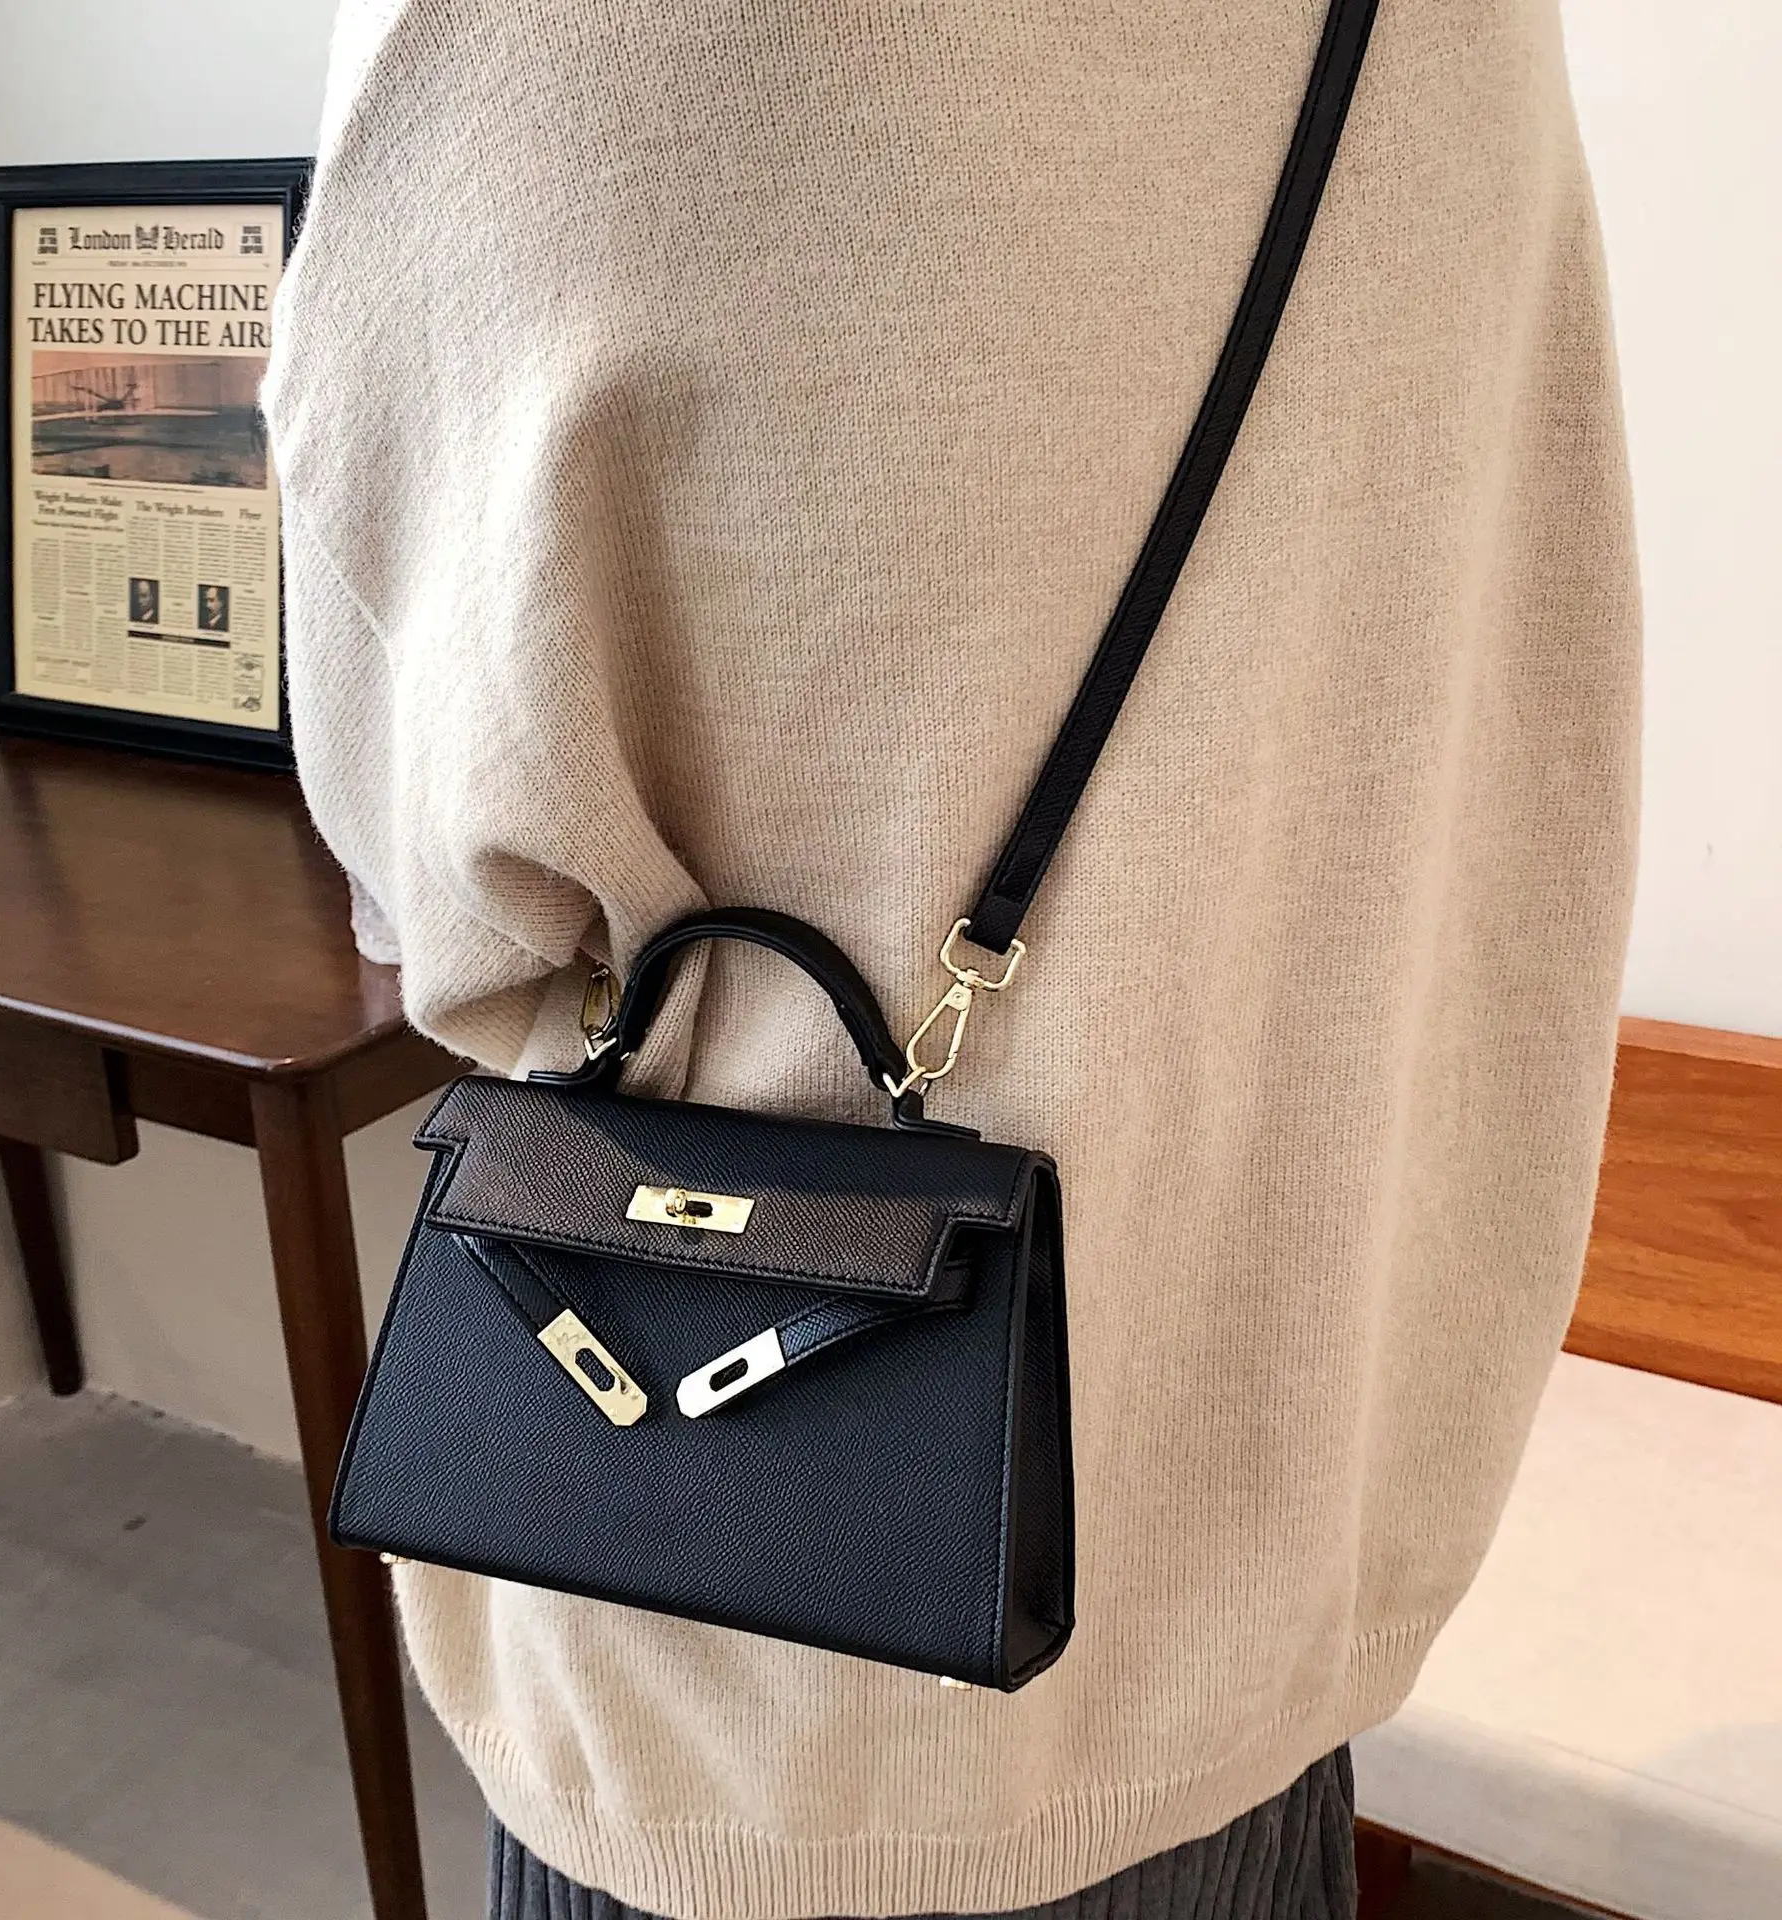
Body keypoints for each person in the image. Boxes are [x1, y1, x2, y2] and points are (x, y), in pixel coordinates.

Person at [262, 3, 1639, 1916]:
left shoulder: (538, 40)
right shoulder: (1464, 33)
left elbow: (429, 877)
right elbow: (1527, 738)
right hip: (1276, 1556)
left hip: (754, 1689)